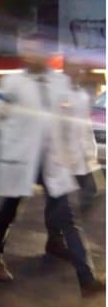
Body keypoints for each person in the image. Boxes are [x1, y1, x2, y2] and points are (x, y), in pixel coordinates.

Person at [0, 34, 105, 296]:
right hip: (23, 158)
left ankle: (87, 279)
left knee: (68, 218)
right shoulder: (13, 82)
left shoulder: (59, 82)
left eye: (38, 51)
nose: (32, 56)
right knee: (10, 210)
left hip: (52, 160)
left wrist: (79, 156)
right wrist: (8, 123)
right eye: (28, 51)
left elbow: (70, 116)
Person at [63, 58, 102, 212]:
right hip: (64, 157)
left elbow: (86, 127)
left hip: (81, 155)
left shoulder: (83, 96)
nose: (79, 72)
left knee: (90, 190)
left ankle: (71, 222)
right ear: (66, 69)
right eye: (75, 67)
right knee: (58, 200)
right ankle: (56, 231)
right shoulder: (60, 93)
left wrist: (91, 152)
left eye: (81, 68)